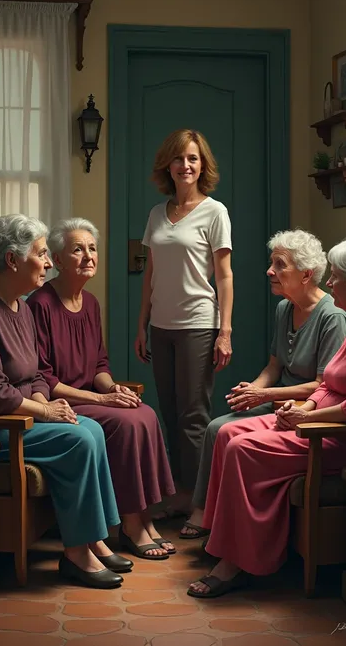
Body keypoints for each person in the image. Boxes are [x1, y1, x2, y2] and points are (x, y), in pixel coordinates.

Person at [187, 235, 346, 598]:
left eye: (336, 276)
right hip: (323, 419)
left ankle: (239, 563)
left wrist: (313, 417)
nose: (331, 282)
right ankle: (223, 541)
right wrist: (305, 407)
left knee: (243, 449)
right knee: (227, 434)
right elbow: (331, 382)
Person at [0, 215, 129, 590]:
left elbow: (37, 375)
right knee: (79, 438)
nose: (47, 262)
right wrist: (44, 411)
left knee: (89, 428)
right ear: (13, 260)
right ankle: (77, 553)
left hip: (16, 417)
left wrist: (48, 405)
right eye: (41, 254)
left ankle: (93, 539)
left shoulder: (20, 307)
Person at [181, 229, 346, 538]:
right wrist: (252, 390)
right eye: (272, 263)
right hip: (274, 398)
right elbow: (274, 366)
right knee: (215, 426)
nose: (269, 271)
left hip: (302, 407)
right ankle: (206, 510)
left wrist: (264, 393)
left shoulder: (333, 317)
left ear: (305, 274)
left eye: (279, 264)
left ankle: (219, 520)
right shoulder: (285, 307)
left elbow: (322, 385)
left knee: (223, 430)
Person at [27, 218, 176, 560]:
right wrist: (103, 398)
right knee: (125, 423)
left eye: (92, 248)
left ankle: (144, 517)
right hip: (62, 402)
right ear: (58, 261)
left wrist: (116, 391)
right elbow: (45, 379)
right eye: (77, 249)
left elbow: (99, 366)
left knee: (143, 412)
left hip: (92, 396)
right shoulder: (40, 305)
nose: (88, 256)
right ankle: (130, 525)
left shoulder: (91, 303)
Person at [135, 128, 233, 515]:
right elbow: (150, 274)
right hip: (161, 327)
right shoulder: (157, 214)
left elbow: (224, 275)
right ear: (168, 165)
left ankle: (199, 503)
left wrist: (224, 331)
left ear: (202, 165)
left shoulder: (215, 211)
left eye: (193, 158)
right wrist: (141, 325)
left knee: (193, 415)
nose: (186, 165)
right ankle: (177, 493)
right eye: (179, 158)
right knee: (170, 413)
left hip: (198, 324)